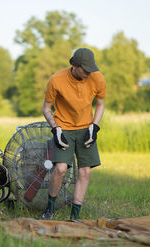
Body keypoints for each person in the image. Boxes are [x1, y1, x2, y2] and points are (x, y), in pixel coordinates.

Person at [40, 48, 106, 220]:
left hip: (86, 128)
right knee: (60, 169)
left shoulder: (97, 78)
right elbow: (46, 108)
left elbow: (100, 104)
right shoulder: (56, 80)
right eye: (85, 70)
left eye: (91, 69)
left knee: (85, 172)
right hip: (64, 127)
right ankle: (50, 209)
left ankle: (74, 216)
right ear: (74, 65)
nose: (89, 73)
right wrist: (56, 129)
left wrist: (94, 127)